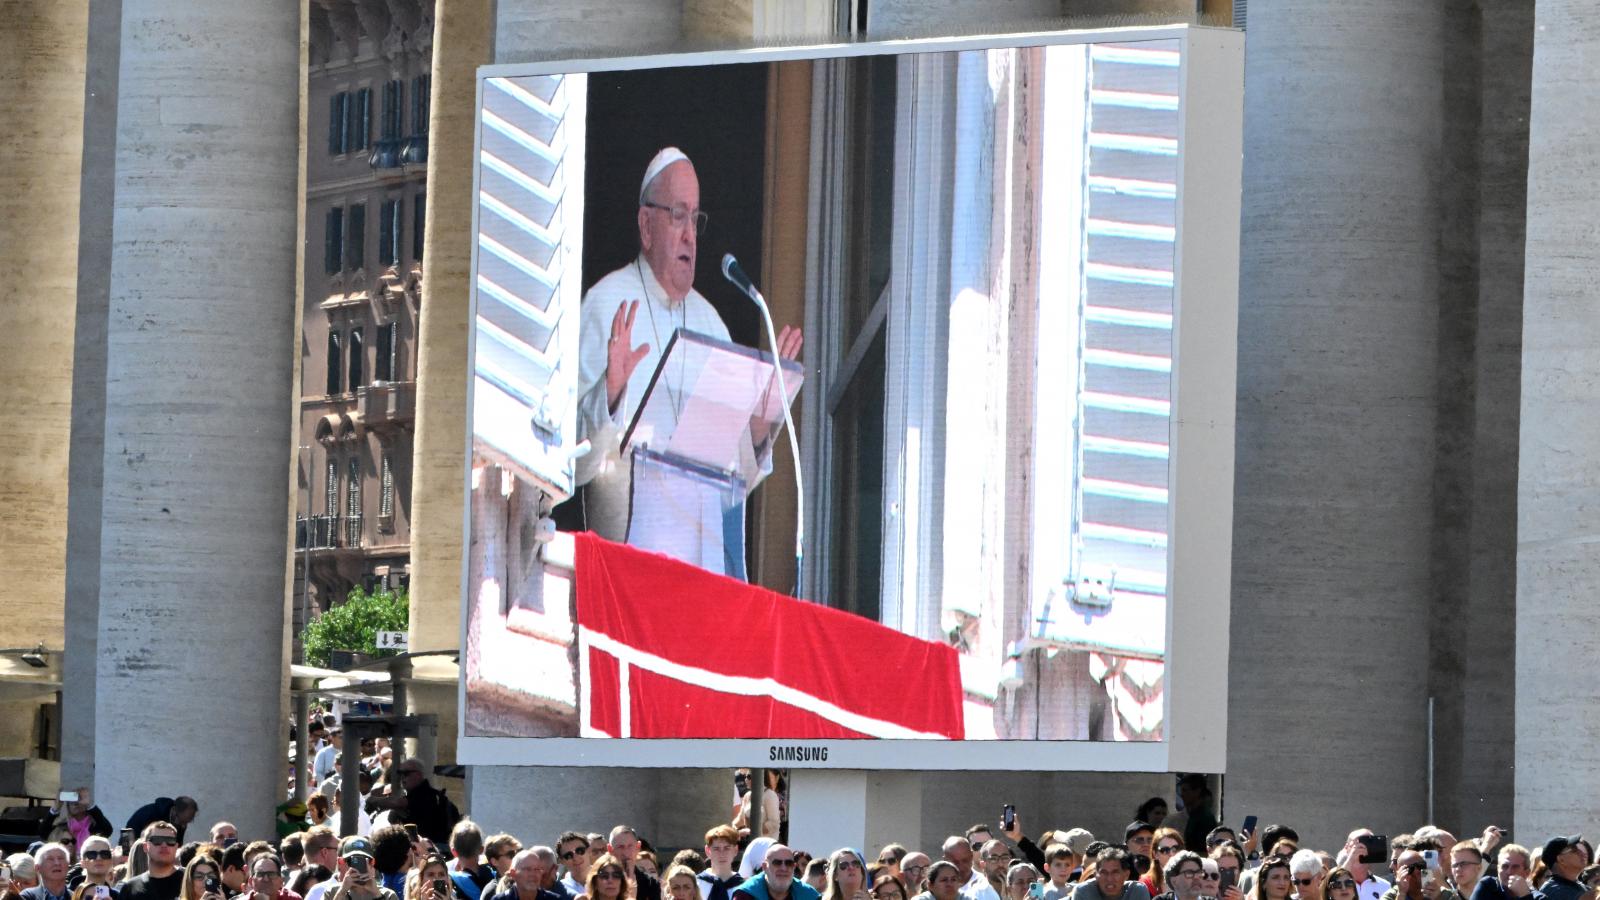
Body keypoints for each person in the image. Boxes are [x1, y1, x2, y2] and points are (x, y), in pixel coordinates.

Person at [575, 146, 804, 578]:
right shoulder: (605, 305)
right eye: (677, 215)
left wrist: (756, 427)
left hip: (703, 573)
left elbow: (730, 487)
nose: (690, 236)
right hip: (626, 570)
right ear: (646, 225)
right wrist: (609, 393)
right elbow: (571, 463)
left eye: (695, 218)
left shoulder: (712, 325)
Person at [365, 762, 459, 847]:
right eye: (400, 774)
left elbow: (398, 802)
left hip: (432, 849)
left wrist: (372, 800)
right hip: (424, 848)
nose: (402, 778)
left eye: (406, 774)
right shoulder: (421, 794)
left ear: (418, 775)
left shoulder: (424, 793)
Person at [119, 823, 185, 900]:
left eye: (170, 841)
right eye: (157, 840)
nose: (164, 845)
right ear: (145, 847)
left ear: (176, 847)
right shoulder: (130, 888)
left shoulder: (191, 880)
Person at [732, 847, 817, 900]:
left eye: (788, 863)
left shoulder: (809, 895)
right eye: (777, 863)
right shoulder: (746, 895)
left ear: (794, 867)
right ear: (765, 867)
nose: (783, 868)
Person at [327, 838, 399, 900]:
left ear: (372, 863)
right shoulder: (332, 892)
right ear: (343, 862)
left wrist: (377, 895)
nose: (357, 867)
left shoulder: (388, 895)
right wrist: (342, 892)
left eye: (363, 861)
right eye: (351, 861)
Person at [47, 791, 115, 856]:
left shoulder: (94, 825)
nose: (75, 805)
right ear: (68, 807)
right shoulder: (64, 826)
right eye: (71, 803)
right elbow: (43, 832)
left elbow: (108, 830)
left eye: (78, 802)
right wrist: (55, 809)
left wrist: (90, 805)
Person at [1072, 849, 1150, 900]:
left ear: (1126, 875)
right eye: (1104, 872)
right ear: (1096, 875)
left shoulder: (1137, 891)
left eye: (1115, 872)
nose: (1109, 879)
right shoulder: (1083, 891)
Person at [606, 829, 659, 900]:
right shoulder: (601, 880)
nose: (626, 853)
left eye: (630, 846)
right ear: (610, 849)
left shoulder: (650, 884)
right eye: (620, 847)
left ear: (638, 847)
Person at [1335, 833, 1391, 900]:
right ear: (1346, 848)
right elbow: (1334, 883)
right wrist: (1351, 859)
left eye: (1368, 843)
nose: (1363, 849)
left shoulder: (1385, 886)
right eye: (1359, 843)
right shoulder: (1335, 884)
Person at [1468, 845, 1532, 900]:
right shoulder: (1487, 886)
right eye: (1505, 866)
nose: (1509, 872)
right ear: (1498, 869)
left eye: (1515, 867)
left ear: (1527, 873)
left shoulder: (1537, 897)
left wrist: (1525, 896)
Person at [734, 774, 783, 841]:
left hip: (767, 844)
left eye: (749, 777)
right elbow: (741, 819)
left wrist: (752, 831)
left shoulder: (770, 795)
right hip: (751, 842)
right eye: (745, 777)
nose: (746, 780)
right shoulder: (747, 796)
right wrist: (730, 828)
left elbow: (773, 824)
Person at [125, 803, 199, 848]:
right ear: (174, 812)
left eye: (187, 822)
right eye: (182, 822)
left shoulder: (180, 820)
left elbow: (177, 845)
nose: (184, 826)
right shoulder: (149, 813)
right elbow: (127, 835)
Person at [697, 827, 742, 900]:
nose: (722, 854)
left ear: (735, 850)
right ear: (708, 851)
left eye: (727, 848)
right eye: (716, 849)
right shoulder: (696, 884)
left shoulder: (744, 887)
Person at [1175, 779, 1216, 855]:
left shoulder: (1204, 817)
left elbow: (1203, 847)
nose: (1182, 794)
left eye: (1185, 790)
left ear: (1196, 792)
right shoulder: (1194, 814)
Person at [1144, 832, 1186, 896]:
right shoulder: (1145, 884)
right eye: (1165, 850)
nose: (1171, 854)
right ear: (1155, 854)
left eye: (1175, 849)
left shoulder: (1196, 878)